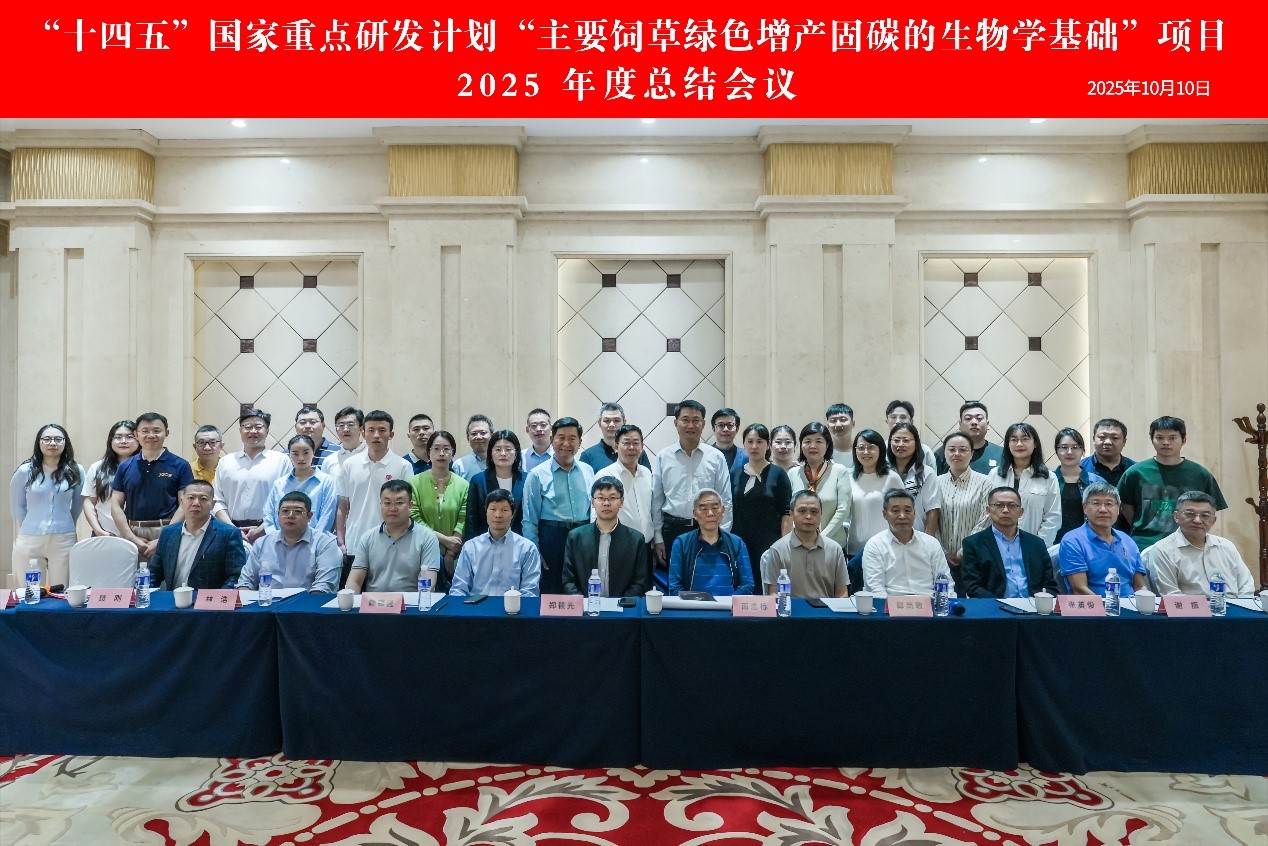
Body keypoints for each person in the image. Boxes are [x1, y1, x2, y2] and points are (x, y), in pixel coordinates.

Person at [1117, 415, 1228, 550]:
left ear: (1184, 440)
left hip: (1188, 543)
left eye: (1172, 438)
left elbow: (1211, 508)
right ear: (1152, 440)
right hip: (1144, 544)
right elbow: (1124, 506)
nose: (1165, 442)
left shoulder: (1200, 474)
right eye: (1159, 438)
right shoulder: (1135, 472)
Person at [652, 400, 734, 570]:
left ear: (703, 424)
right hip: (672, 530)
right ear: (676, 423)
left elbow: (725, 499)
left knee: (706, 578)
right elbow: (656, 500)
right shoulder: (663, 457)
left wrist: (724, 534)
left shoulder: (716, 457)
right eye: (685, 420)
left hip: (707, 528)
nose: (691, 425)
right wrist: (658, 536)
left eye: (696, 420)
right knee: (675, 580)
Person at [523, 417, 595, 595]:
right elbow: (529, 520)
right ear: (552, 439)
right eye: (561, 437)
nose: (566, 443)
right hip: (552, 540)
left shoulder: (588, 471)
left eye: (572, 438)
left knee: (582, 592)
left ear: (580, 442)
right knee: (552, 594)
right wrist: (534, 552)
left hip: (583, 538)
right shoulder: (537, 475)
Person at [110, 412, 195, 560]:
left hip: (168, 530)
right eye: (145, 431)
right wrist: (131, 538)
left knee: (168, 575)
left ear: (166, 433)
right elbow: (116, 504)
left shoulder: (180, 465)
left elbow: (184, 505)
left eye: (156, 431)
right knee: (133, 575)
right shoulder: (125, 466)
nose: (151, 435)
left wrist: (164, 538)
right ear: (136, 435)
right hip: (133, 532)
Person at [10, 424, 84, 588]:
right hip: (29, 539)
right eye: (47, 439)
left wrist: (66, 523)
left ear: (65, 442)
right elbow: (17, 506)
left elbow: (78, 505)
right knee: (31, 592)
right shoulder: (24, 471)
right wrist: (27, 527)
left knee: (61, 591)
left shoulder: (76, 470)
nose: (52, 443)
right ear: (39, 442)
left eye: (58, 439)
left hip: (64, 540)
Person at [1146, 491, 1256, 597]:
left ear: (1213, 520)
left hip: (1235, 607)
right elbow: (1171, 596)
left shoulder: (1226, 546)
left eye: (1205, 515)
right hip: (1191, 609)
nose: (1197, 520)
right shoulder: (1163, 551)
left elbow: (1246, 585)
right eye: (1190, 514)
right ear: (1176, 516)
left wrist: (1242, 606)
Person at [335, 410, 413, 559]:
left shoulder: (403, 466)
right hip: (355, 542)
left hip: (392, 544)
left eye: (382, 430)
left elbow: (408, 507)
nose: (376, 435)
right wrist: (341, 540)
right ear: (363, 434)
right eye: (371, 430)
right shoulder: (349, 465)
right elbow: (343, 506)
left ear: (391, 435)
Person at [960, 487, 1058, 598]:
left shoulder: (1036, 543)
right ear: (988, 510)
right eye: (999, 505)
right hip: (995, 606)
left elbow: (1050, 585)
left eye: (1012, 505)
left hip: (1033, 605)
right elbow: (972, 587)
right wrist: (1000, 604)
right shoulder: (973, 544)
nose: (1005, 510)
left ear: (1021, 512)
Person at [346, 479, 442, 593]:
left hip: (410, 602)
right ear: (380, 505)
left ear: (410, 505)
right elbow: (354, 582)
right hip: (373, 602)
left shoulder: (427, 538)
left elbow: (428, 582)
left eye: (399, 503)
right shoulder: (367, 538)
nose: (392, 508)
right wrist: (351, 599)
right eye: (387, 503)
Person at [212, 407, 291, 544]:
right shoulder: (226, 462)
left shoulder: (281, 460)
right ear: (240, 430)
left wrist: (262, 529)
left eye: (258, 427)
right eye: (247, 427)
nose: (253, 431)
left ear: (267, 430)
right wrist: (232, 529)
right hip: (231, 532)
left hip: (270, 532)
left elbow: (286, 499)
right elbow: (217, 500)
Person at [148, 480, 246, 589]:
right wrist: (145, 592)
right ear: (182, 502)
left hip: (209, 599)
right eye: (191, 498)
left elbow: (235, 577)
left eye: (203, 499)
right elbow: (154, 573)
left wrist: (219, 598)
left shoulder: (229, 534)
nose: (196, 503)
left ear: (213, 504)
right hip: (173, 597)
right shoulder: (168, 533)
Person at [237, 491, 341, 593]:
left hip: (306, 602)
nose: (290, 515)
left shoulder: (324, 543)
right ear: (278, 515)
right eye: (285, 511)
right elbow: (245, 582)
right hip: (266, 602)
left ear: (309, 516)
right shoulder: (262, 543)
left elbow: (323, 587)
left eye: (298, 511)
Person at [562, 477, 650, 597]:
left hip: (622, 606)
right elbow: (568, 580)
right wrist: (583, 603)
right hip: (585, 606)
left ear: (622, 501)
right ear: (592, 502)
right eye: (600, 498)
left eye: (612, 498)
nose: (606, 503)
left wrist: (620, 604)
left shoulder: (636, 539)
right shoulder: (576, 537)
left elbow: (639, 582)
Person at [729, 424, 793, 589]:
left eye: (759, 441)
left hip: (769, 543)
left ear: (768, 445)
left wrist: (783, 545)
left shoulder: (778, 474)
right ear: (744, 444)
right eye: (750, 441)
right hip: (740, 542)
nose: (754, 446)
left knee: (766, 586)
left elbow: (787, 512)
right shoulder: (735, 473)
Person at [862, 489, 955, 597]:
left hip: (928, 603)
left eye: (907, 511)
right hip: (891, 604)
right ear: (885, 514)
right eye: (895, 511)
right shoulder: (875, 545)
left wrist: (942, 604)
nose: (902, 516)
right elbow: (875, 589)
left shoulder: (931, 544)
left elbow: (945, 582)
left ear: (914, 513)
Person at [450, 489, 542, 597]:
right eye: (493, 509)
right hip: (475, 606)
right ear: (486, 512)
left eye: (504, 510)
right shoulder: (470, 547)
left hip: (512, 606)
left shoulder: (527, 548)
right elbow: (458, 589)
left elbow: (530, 592)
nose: (498, 515)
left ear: (512, 514)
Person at [1059, 483, 1146, 596]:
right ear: (1085, 507)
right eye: (1096, 503)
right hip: (1094, 606)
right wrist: (1109, 606)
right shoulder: (1073, 541)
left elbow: (1139, 586)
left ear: (1118, 508)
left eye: (1109, 504)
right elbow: (1079, 589)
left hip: (1131, 605)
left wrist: (1146, 600)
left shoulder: (1128, 541)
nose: (1103, 509)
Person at [760, 491, 849, 599]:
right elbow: (774, 594)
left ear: (821, 514)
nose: (808, 516)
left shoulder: (835, 549)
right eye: (802, 511)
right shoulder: (778, 550)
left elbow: (842, 592)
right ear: (792, 514)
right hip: (791, 609)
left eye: (814, 512)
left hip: (826, 609)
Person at [667, 489, 753, 596]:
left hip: (728, 605)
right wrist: (700, 601)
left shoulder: (737, 543)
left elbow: (747, 585)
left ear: (723, 511)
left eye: (715, 508)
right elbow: (674, 587)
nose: (710, 514)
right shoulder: (681, 544)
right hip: (692, 605)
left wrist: (727, 602)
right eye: (703, 509)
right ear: (694, 514)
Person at [408, 429, 469, 578]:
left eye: (446, 449)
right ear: (429, 452)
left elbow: (463, 519)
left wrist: (451, 552)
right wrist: (445, 540)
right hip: (421, 552)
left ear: (453, 452)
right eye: (436, 449)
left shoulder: (463, 485)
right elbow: (414, 517)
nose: (441, 453)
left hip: (455, 556)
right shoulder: (414, 482)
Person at [934, 432, 991, 587]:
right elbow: (931, 519)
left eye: (963, 450)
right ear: (944, 453)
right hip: (940, 558)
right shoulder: (935, 482)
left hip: (974, 557)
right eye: (951, 449)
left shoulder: (984, 482)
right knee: (943, 598)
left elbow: (986, 519)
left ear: (971, 454)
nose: (957, 454)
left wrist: (963, 551)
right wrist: (942, 551)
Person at [788, 422, 851, 550]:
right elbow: (789, 511)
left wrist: (820, 539)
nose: (813, 446)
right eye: (807, 441)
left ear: (827, 445)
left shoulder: (839, 471)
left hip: (832, 544)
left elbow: (843, 509)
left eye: (819, 441)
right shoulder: (793, 473)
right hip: (799, 545)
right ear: (801, 445)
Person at [995, 422, 1060, 545]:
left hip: (1034, 546)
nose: (1019, 444)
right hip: (997, 544)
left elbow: (1053, 517)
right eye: (1014, 440)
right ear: (1008, 444)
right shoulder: (995, 474)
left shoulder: (1049, 478)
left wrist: (1038, 546)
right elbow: (986, 512)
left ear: (1035, 444)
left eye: (1025, 439)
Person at [846, 429, 905, 556]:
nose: (866, 452)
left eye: (871, 447)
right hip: (854, 549)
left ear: (880, 449)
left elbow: (902, 513)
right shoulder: (848, 477)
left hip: (885, 549)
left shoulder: (892, 478)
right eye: (861, 448)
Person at [263, 435, 338, 533]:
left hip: (315, 540)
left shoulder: (326, 482)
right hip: (279, 539)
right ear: (289, 455)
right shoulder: (279, 484)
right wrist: (275, 537)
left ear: (313, 452)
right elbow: (269, 515)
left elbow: (327, 516)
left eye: (306, 453)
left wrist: (315, 539)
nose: (301, 458)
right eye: (295, 454)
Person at [597, 424, 655, 543]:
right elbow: (596, 514)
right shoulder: (605, 475)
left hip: (647, 544)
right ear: (616, 446)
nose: (631, 447)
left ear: (642, 447)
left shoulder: (647, 473)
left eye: (636, 443)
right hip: (618, 544)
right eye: (626, 443)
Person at [82, 420, 139, 538]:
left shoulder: (146, 467)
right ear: (110, 441)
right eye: (118, 437)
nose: (123, 441)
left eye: (129, 437)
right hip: (106, 534)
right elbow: (89, 502)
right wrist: (98, 531)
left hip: (139, 535)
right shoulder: (98, 467)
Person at [465, 430, 526, 540]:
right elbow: (471, 521)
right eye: (498, 449)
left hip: (519, 544)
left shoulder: (527, 479)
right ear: (491, 454)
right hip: (485, 544)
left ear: (516, 454)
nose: (503, 453)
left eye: (508, 449)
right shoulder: (478, 481)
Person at [887, 422, 941, 536]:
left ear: (916, 443)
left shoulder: (927, 473)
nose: (900, 444)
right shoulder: (884, 472)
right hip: (887, 539)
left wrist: (927, 542)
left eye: (906, 440)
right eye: (896, 440)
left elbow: (932, 512)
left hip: (917, 538)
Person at [1053, 428, 1105, 543]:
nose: (1069, 452)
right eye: (1064, 447)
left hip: (1088, 542)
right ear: (1056, 451)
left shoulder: (1096, 482)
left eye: (1075, 447)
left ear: (1082, 451)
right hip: (1052, 541)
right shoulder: (1048, 480)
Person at [578, 402, 652, 472]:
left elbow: (647, 478)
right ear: (599, 423)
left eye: (616, 420)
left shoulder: (636, 452)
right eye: (607, 421)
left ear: (624, 422)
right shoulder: (588, 456)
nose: (612, 425)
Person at [935, 401, 1004, 475]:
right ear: (960, 425)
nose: (974, 422)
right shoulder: (944, 453)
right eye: (968, 418)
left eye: (979, 418)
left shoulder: (1001, 453)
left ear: (987, 424)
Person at [884, 400, 938, 475]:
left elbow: (932, 477)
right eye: (893, 417)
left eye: (903, 417)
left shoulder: (925, 451)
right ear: (887, 421)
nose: (898, 421)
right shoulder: (880, 449)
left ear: (911, 422)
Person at [1081, 418, 1135, 486]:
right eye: (1102, 437)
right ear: (1093, 439)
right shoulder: (1080, 468)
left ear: (1124, 442)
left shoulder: (1135, 469)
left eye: (1114, 438)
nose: (1108, 442)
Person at [321, 406, 366, 476]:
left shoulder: (371, 455)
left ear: (361, 429)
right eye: (341, 425)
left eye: (350, 425)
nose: (346, 429)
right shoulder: (329, 461)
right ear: (336, 430)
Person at [452, 414, 494, 481]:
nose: (479, 437)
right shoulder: (459, 465)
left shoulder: (501, 461)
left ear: (492, 435)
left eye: (483, 433)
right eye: (474, 433)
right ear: (468, 437)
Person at [521, 408, 554, 472]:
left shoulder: (559, 456)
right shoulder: (521, 457)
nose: (538, 429)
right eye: (534, 426)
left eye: (543, 425)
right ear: (527, 430)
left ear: (551, 428)